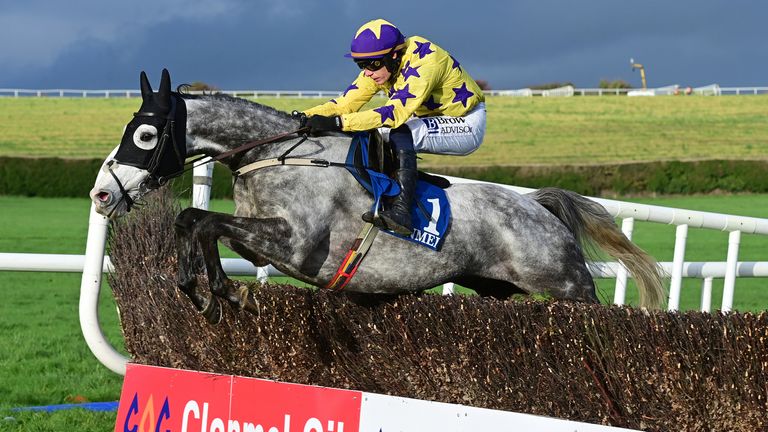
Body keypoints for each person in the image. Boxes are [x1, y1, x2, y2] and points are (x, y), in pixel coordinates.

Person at [299, 18, 487, 235]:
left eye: (373, 64)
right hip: (428, 118)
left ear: (394, 55)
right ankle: (411, 181)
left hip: (466, 122)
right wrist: (305, 116)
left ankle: (402, 212)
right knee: (370, 132)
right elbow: (345, 104)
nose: (367, 72)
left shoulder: (426, 61)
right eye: (361, 65)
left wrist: (339, 123)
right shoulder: (381, 65)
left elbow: (394, 113)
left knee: (398, 131)